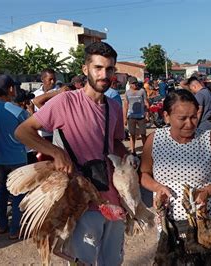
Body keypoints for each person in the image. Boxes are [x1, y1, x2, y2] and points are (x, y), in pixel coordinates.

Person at [15, 42, 129, 265]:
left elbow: (115, 143)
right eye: (98, 68)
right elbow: (23, 131)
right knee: (83, 262)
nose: (103, 74)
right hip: (81, 202)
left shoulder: (114, 106)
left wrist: (128, 161)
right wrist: (55, 152)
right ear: (85, 69)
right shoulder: (65, 101)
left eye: (109, 69)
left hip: (113, 197)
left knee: (113, 262)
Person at [140, 89, 211, 230]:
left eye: (193, 117)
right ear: (166, 116)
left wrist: (208, 191)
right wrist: (157, 187)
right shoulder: (154, 140)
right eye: (182, 118)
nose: (189, 124)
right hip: (167, 224)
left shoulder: (208, 140)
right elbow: (144, 174)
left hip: (204, 223)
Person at [0, 75, 28, 240]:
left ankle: (2, 225)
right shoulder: (15, 109)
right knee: (18, 193)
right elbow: (32, 123)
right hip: (17, 157)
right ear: (10, 89)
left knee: (3, 191)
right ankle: (15, 229)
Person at [123, 76, 150, 155]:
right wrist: (124, 118)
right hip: (131, 116)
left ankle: (146, 150)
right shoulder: (127, 93)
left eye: (136, 83)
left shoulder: (142, 91)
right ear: (130, 84)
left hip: (141, 117)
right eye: (133, 83)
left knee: (143, 134)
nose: (135, 85)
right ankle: (133, 151)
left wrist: (147, 113)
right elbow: (125, 106)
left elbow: (146, 102)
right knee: (132, 135)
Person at [31, 68, 58, 140]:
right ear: (42, 79)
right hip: (40, 135)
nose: (53, 82)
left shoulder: (60, 93)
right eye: (50, 79)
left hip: (55, 135)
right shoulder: (35, 94)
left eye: (54, 79)